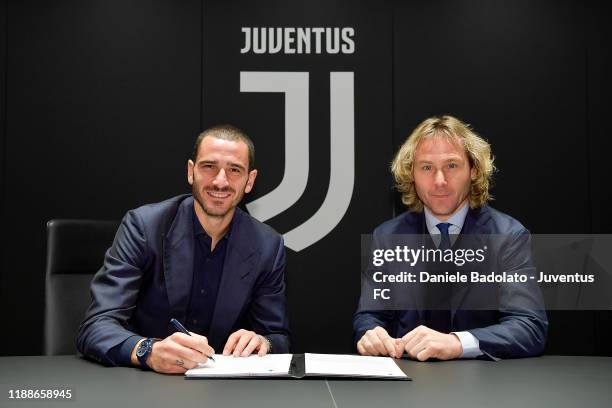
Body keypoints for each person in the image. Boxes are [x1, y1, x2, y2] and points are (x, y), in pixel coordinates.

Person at [77, 124, 290, 373]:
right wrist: (147, 351)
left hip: (223, 391)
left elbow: (278, 337)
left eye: (234, 170)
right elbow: (96, 326)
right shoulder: (144, 227)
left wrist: (262, 342)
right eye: (209, 166)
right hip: (143, 384)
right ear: (191, 172)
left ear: (249, 180)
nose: (220, 181)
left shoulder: (267, 245)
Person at [353, 115, 547, 361]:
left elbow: (529, 326)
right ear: (411, 173)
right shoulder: (387, 237)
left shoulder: (507, 235)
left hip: (484, 390)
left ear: (473, 169)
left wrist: (457, 343)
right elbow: (370, 316)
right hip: (406, 388)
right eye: (426, 167)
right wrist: (372, 333)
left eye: (452, 166)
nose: (439, 181)